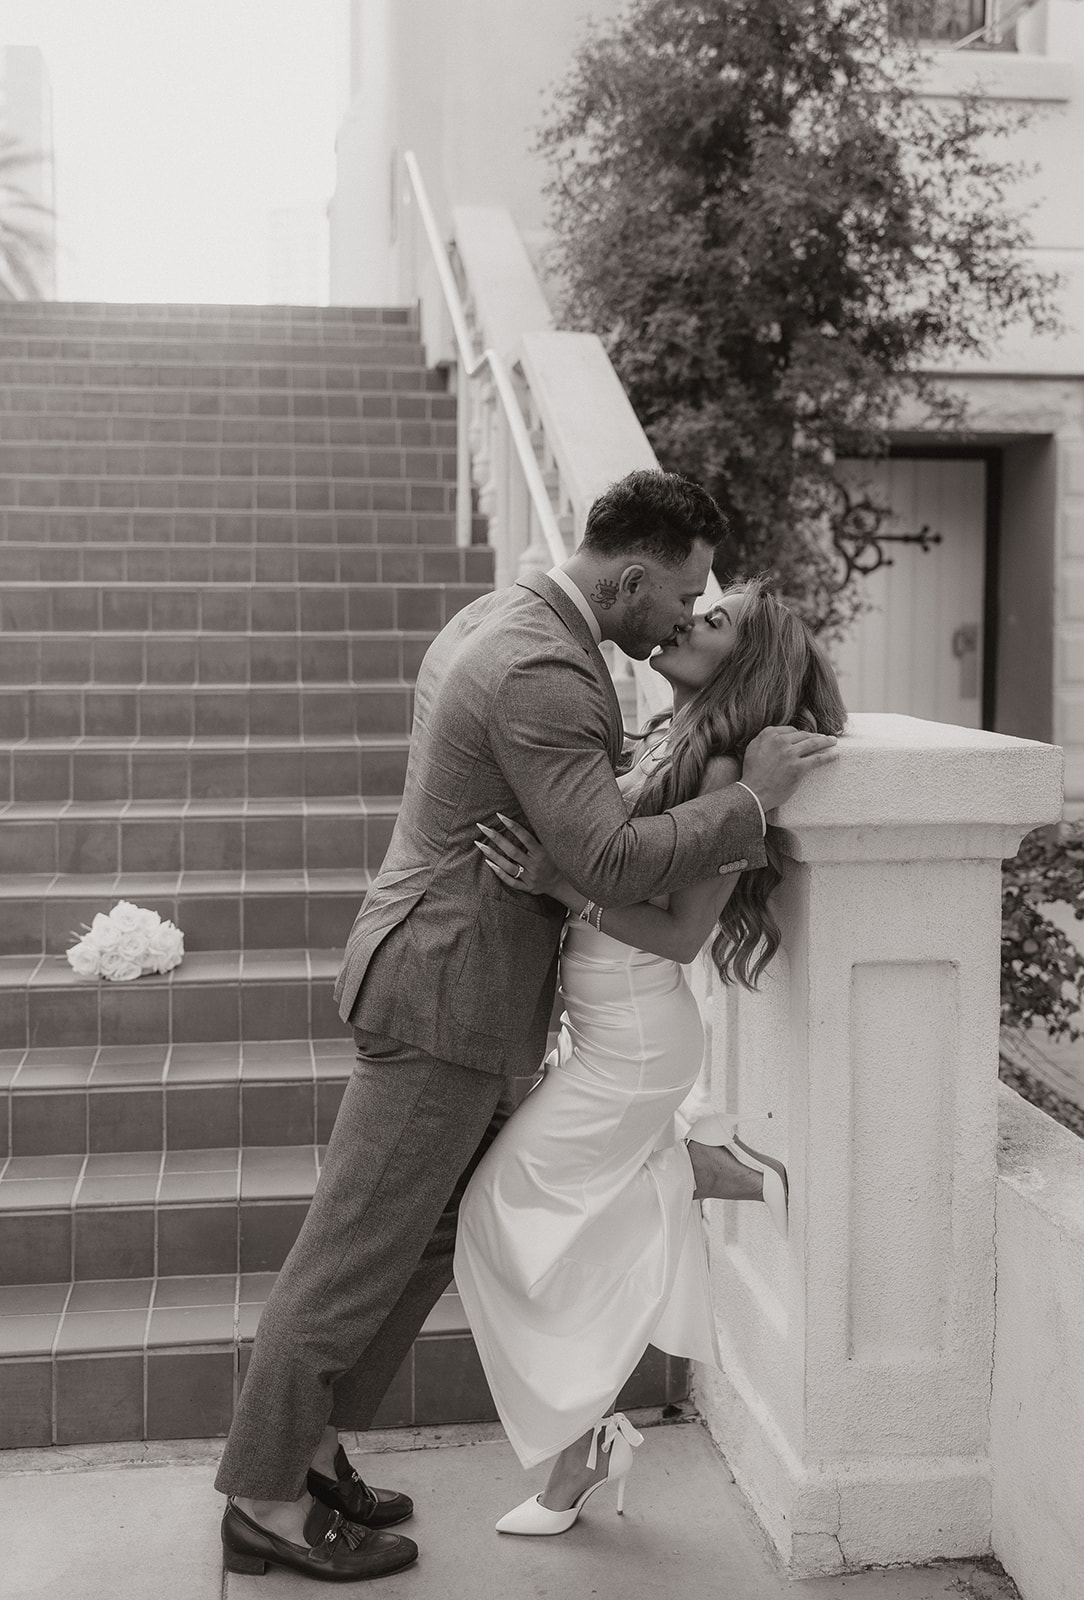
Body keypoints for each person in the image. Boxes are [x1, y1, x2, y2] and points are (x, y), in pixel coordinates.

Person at [214, 471, 837, 1582]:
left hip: (473, 992)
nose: (686, 613)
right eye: (684, 593)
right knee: (353, 1256)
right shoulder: (545, 667)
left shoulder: (504, 617)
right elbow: (605, 862)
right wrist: (748, 806)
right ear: (632, 575)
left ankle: (308, 1449)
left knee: (419, 1244)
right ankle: (264, 1499)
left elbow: (597, 862)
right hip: (447, 993)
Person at [456, 575, 846, 1535]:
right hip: (604, 1028)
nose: (685, 622)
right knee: (518, 1224)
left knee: (496, 1217)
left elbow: (679, 937)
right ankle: (694, 1171)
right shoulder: (663, 741)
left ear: (744, 663)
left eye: (711, 622)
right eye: (694, 606)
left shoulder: (719, 775)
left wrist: (561, 884)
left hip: (635, 1041)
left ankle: (694, 1172)